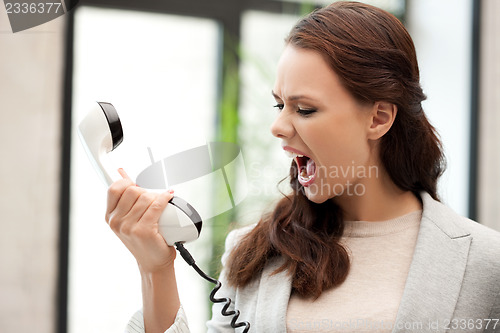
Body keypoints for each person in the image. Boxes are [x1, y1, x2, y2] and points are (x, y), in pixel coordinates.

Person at [105, 2, 500, 332]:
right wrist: (155, 270)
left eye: (304, 109)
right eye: (280, 105)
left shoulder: (485, 264)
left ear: (379, 118)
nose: (278, 126)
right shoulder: (254, 252)